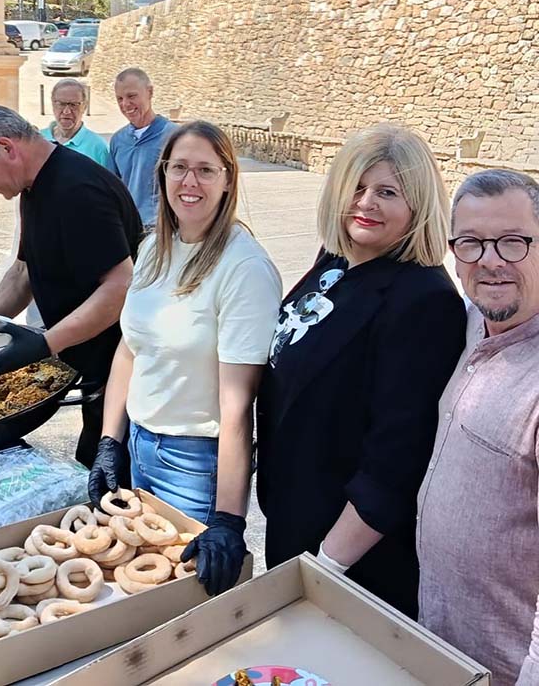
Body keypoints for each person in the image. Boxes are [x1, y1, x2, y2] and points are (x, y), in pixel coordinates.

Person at [256, 123, 466, 618]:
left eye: (388, 192)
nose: (366, 202)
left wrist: (325, 567)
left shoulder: (424, 301)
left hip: (349, 557)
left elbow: (396, 461)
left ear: (418, 204)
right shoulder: (336, 261)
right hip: (293, 520)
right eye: (357, 186)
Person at [89, 121, 282, 596]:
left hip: (194, 463)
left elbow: (238, 405)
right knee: (138, 590)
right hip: (139, 443)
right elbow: (130, 348)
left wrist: (228, 518)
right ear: (162, 174)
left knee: (185, 601)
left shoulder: (244, 269)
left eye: (205, 170)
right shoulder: (153, 248)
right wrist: (110, 440)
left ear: (228, 179)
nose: (189, 182)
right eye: (179, 168)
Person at [0, 105, 143, 467]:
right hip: (88, 365)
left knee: (107, 473)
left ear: (7, 147)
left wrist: (45, 343)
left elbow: (121, 286)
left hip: (121, 372)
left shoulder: (77, 189)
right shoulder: (32, 186)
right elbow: (23, 270)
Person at [418, 169, 539, 686]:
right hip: (440, 646)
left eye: (513, 241)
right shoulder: (470, 324)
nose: (490, 260)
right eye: (470, 243)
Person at [109, 68, 175, 227]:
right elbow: (112, 189)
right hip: (127, 227)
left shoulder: (173, 137)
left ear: (150, 92)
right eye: (119, 98)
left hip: (162, 228)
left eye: (131, 96)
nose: (125, 104)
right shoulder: (118, 140)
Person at [40, 80, 111, 168]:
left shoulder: (98, 147)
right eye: (61, 104)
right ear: (53, 105)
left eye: (73, 105)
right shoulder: (38, 139)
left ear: (84, 107)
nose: (66, 111)